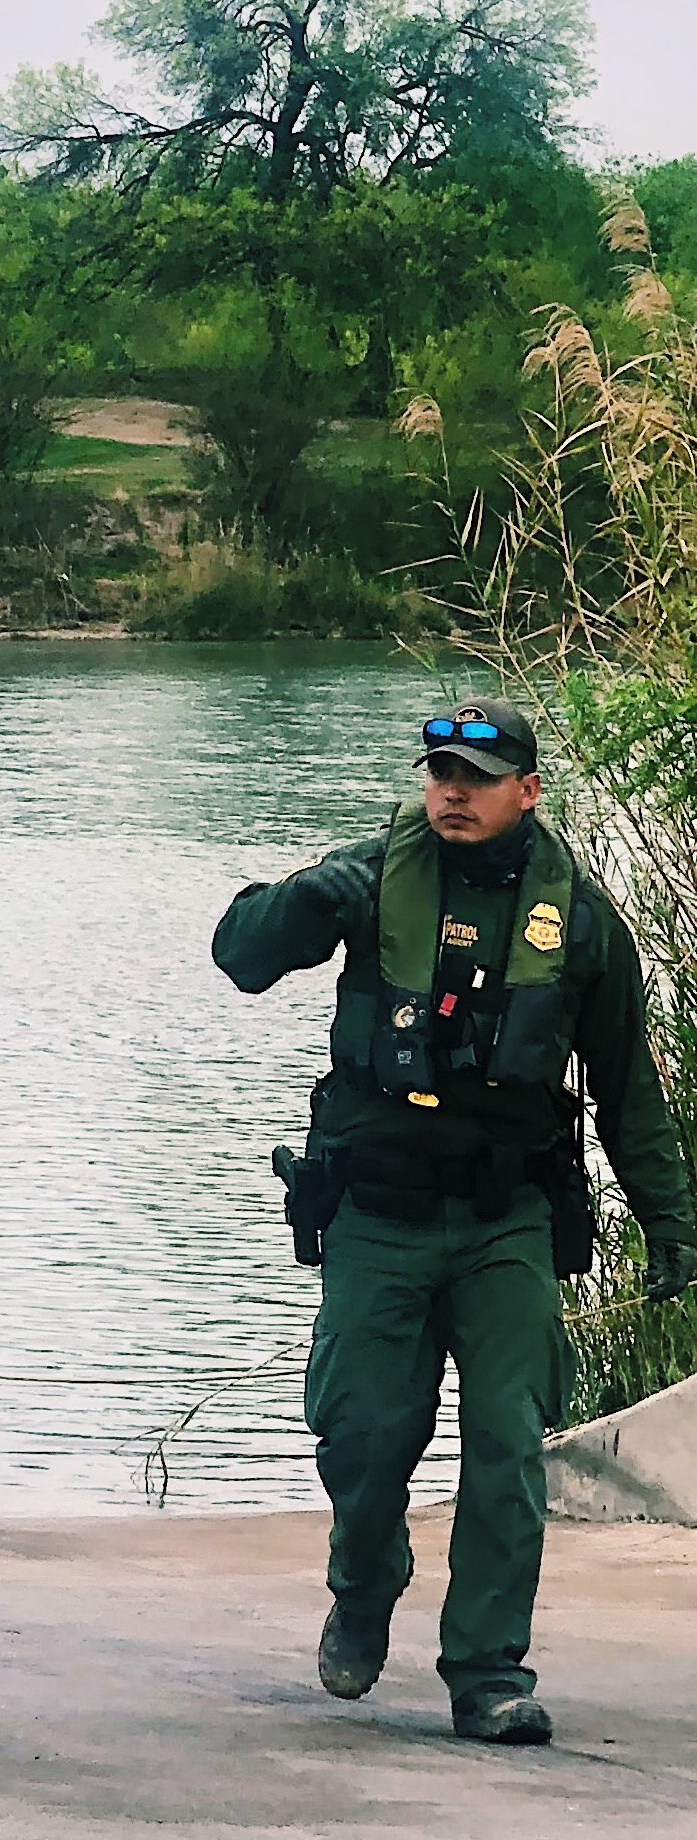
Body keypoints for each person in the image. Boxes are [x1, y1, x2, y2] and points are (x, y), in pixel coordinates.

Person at [215, 695, 697, 1745]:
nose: (453, 791)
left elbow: (629, 1086)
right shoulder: (369, 871)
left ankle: (488, 1671)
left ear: (528, 790)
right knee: (362, 1434)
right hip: (379, 1213)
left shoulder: (580, 919)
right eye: (440, 772)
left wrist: (671, 1223)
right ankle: (366, 1579)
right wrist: (304, 899)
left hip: (506, 1220)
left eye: (478, 777)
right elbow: (240, 955)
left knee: (507, 1446)